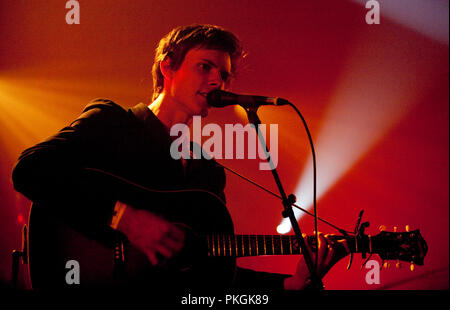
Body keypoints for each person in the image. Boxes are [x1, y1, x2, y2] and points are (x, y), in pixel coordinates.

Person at [12, 24, 348, 291]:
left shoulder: (207, 173)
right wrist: (124, 219)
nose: (218, 79)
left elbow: (211, 273)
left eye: (224, 74)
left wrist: (289, 284)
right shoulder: (112, 122)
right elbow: (30, 169)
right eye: (205, 67)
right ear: (167, 66)